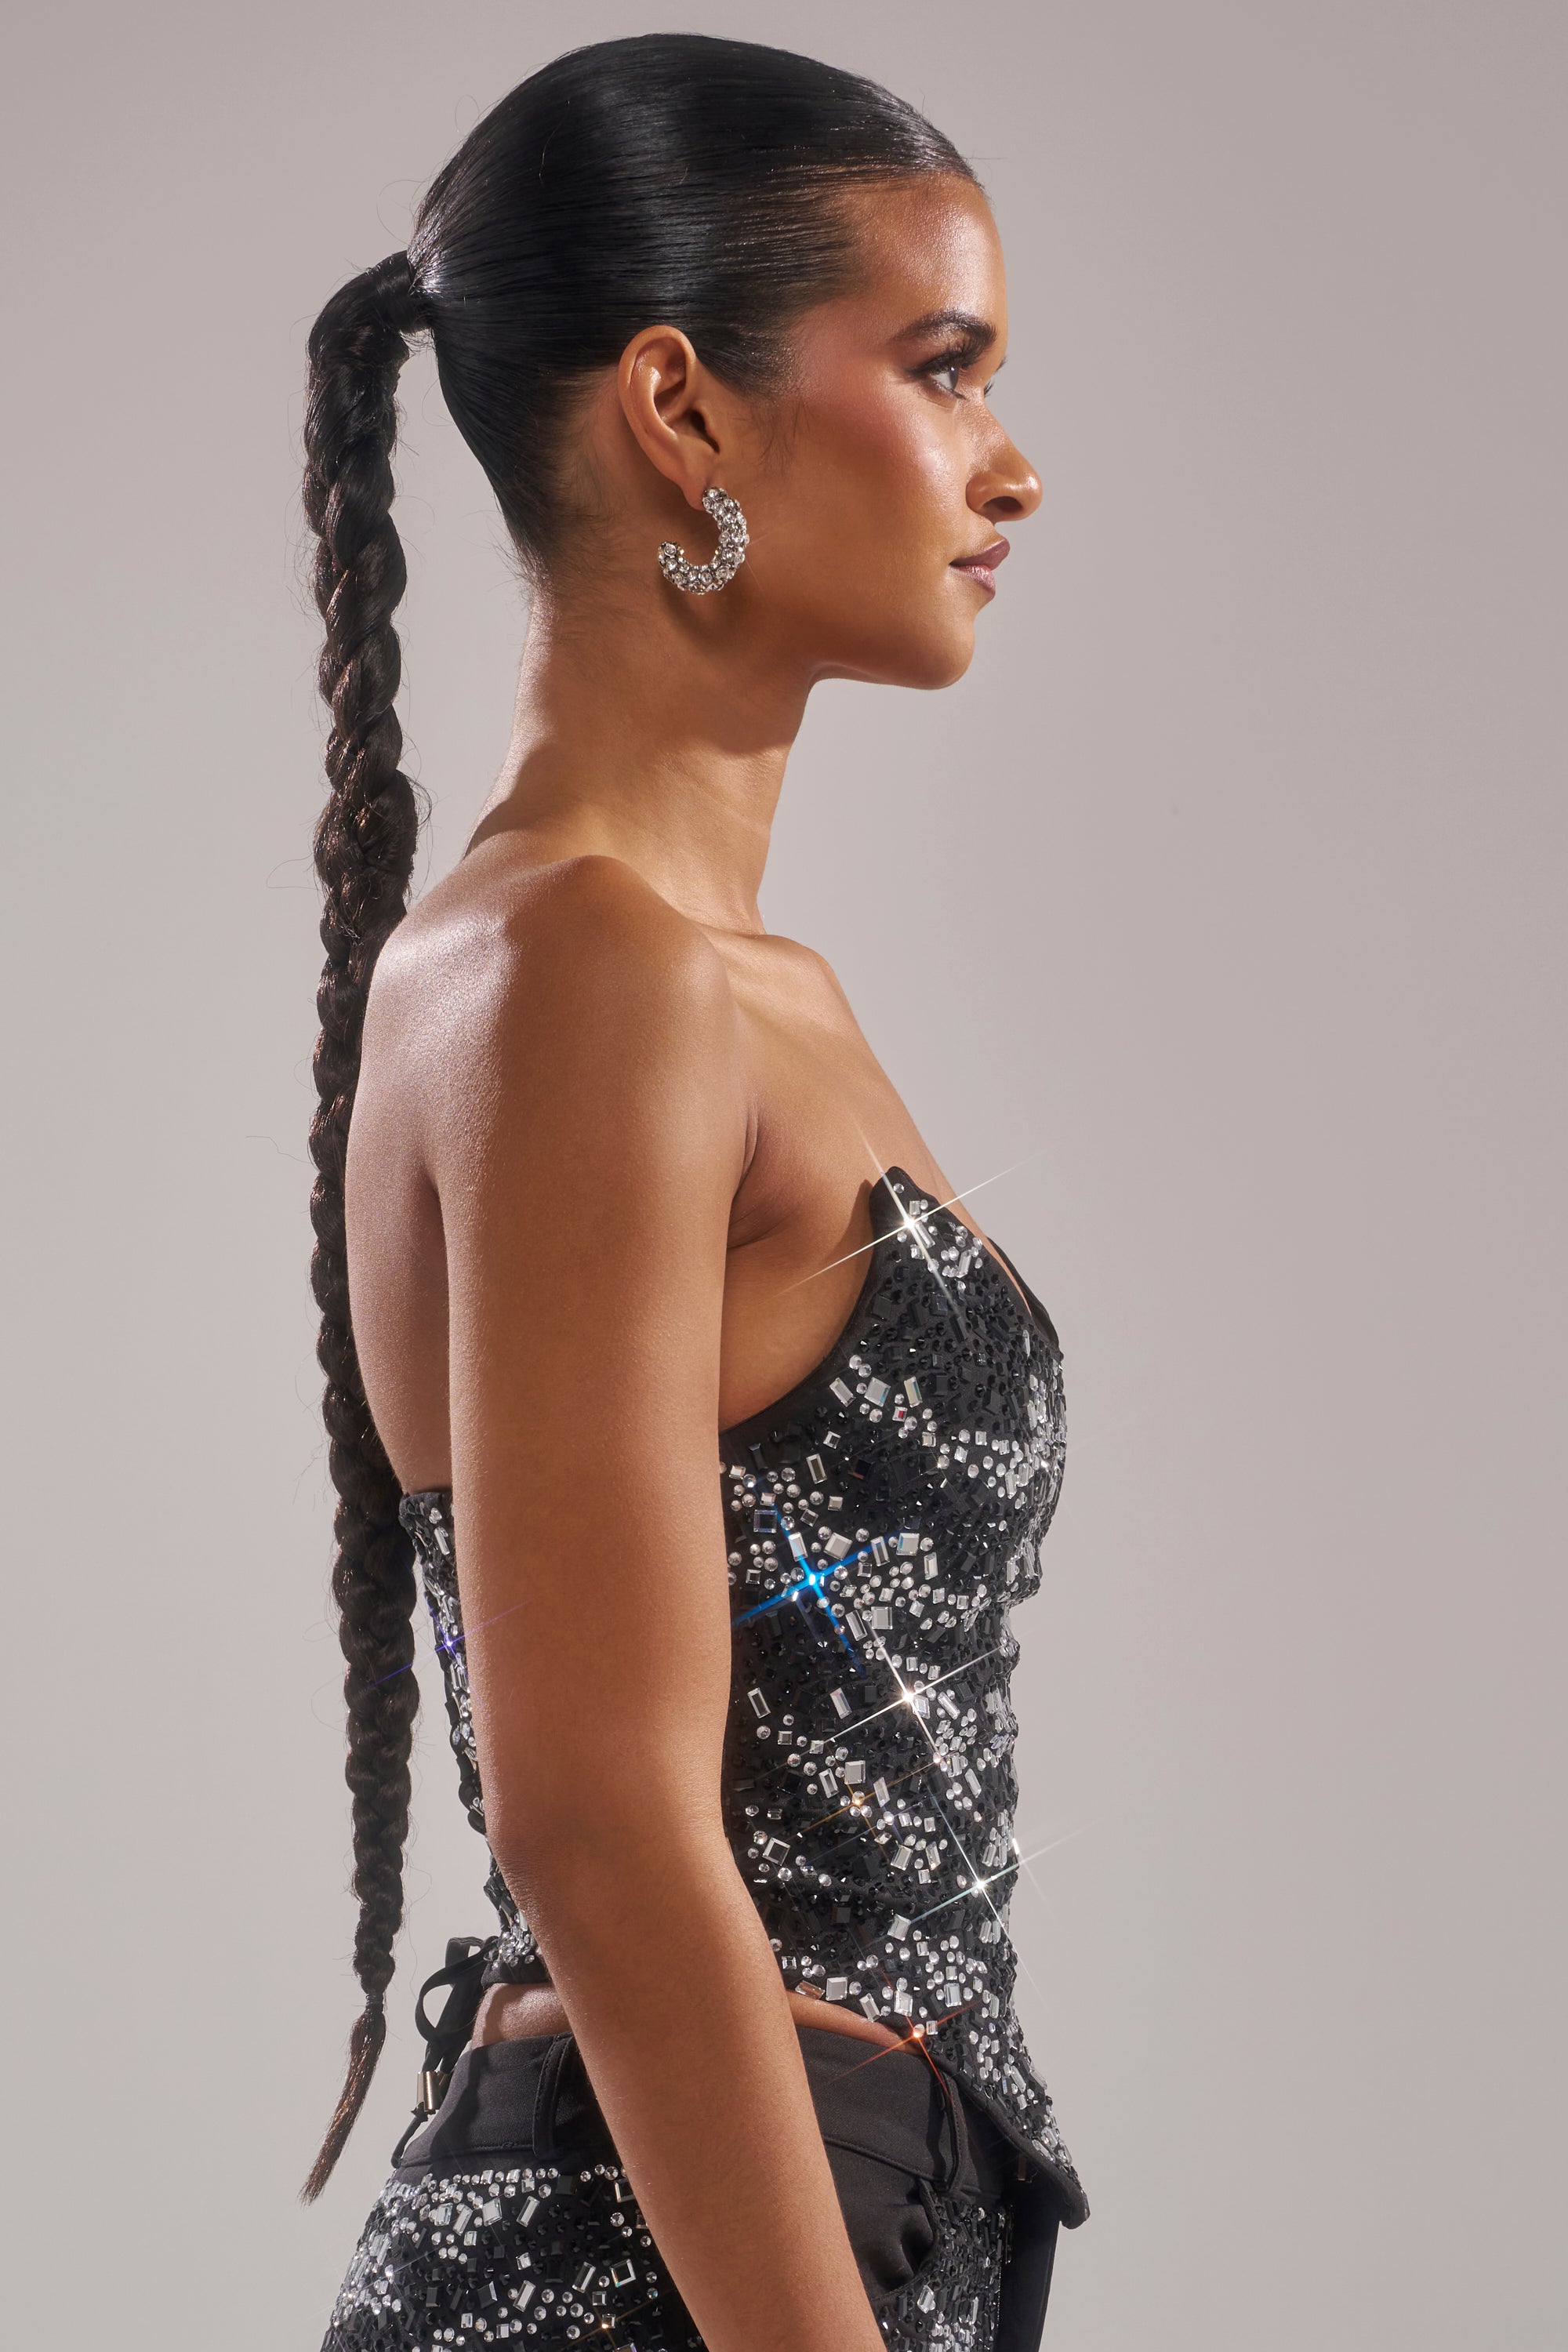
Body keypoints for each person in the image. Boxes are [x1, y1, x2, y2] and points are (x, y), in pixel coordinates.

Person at [300, 33, 1087, 2352]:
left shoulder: (722, 990)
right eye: (941, 368)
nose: (1010, 462)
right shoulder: (580, 969)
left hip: (804, 2248)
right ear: (683, 410)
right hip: (656, 2280)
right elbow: (600, 1825)